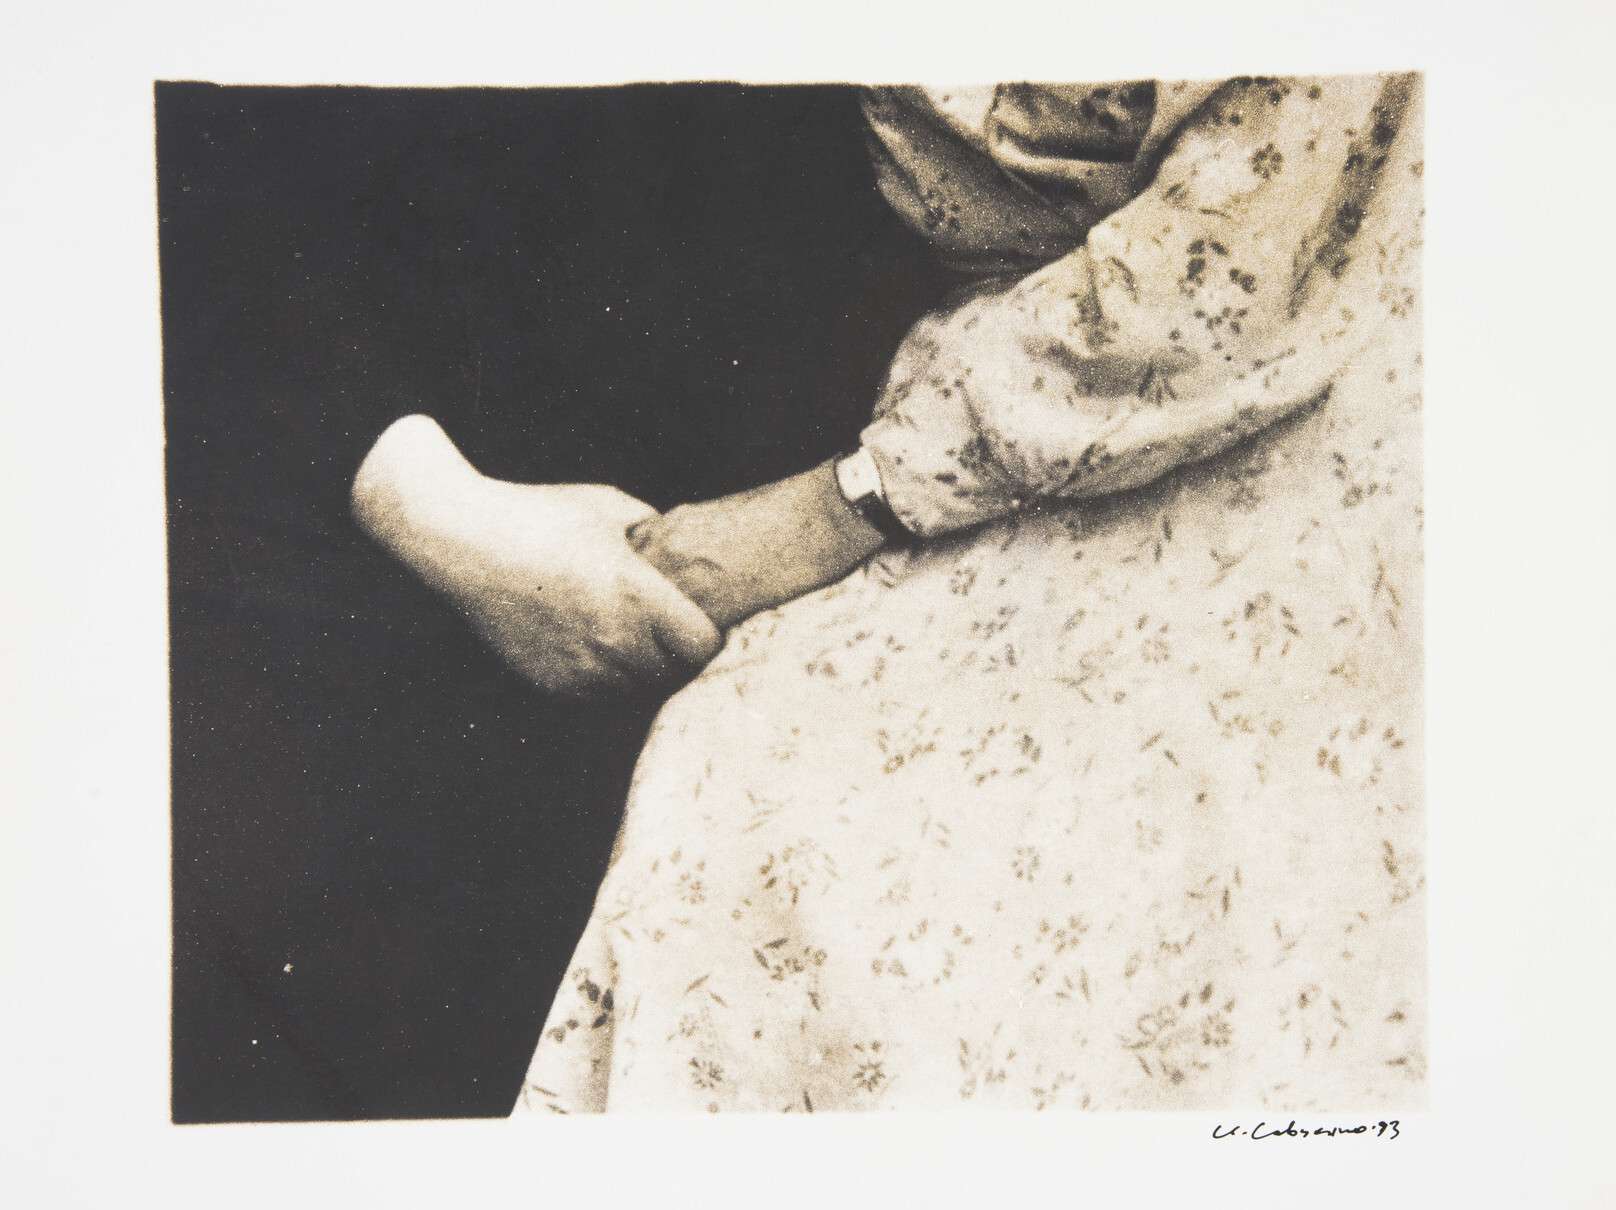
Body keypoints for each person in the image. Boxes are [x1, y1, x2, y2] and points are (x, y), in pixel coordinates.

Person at [356, 73, 1426, 1112]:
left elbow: (1230, 260)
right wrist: (435, 506)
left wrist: (840, 505)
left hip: (1245, 384)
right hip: (608, 439)